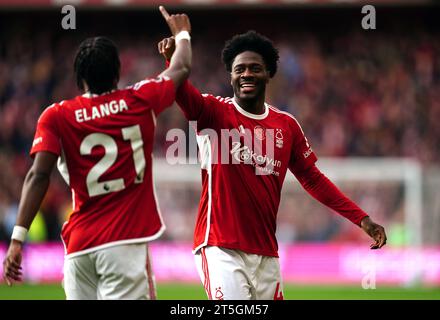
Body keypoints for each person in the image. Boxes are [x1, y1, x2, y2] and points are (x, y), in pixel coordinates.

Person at [158, 30, 387, 300]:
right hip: (221, 248)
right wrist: (174, 61)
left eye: (255, 68)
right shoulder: (214, 113)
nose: (246, 74)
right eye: (239, 69)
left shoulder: (286, 125)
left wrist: (361, 218)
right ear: (230, 75)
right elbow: (183, 93)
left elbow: (313, 180)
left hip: (266, 254)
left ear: (268, 74)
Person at [2, 6, 192, 300]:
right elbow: (180, 69)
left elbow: (38, 175)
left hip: (79, 247)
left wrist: (17, 239)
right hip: (124, 243)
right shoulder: (139, 100)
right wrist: (181, 35)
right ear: (117, 73)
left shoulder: (56, 115)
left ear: (79, 78)